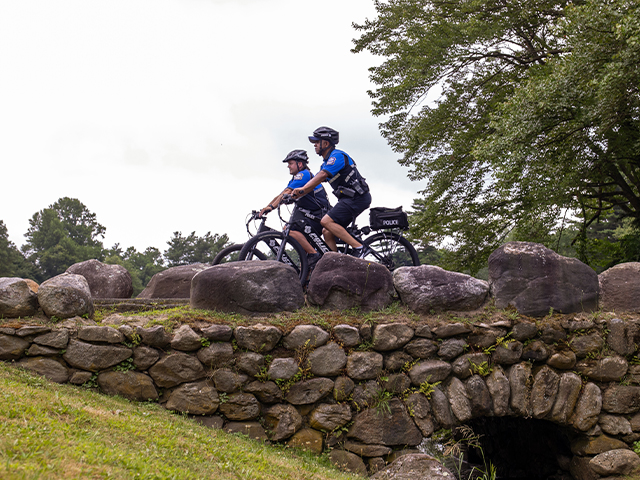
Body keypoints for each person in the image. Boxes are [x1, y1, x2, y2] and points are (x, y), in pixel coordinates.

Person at [292, 126, 372, 257]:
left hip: (357, 198)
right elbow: (315, 182)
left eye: (317, 142)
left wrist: (302, 189)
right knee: (327, 231)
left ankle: (360, 248)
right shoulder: (325, 163)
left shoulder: (337, 156)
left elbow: (322, 175)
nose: (315, 145)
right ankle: (334, 262)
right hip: (348, 199)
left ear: (326, 143)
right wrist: (293, 195)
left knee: (326, 221)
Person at [260, 149, 330, 266]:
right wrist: (267, 207)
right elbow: (283, 193)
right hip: (310, 214)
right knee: (301, 250)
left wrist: (271, 207)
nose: (288, 166)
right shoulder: (296, 178)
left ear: (300, 164)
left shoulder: (304, 175)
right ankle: (307, 271)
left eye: (290, 163)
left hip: (318, 215)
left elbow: (287, 192)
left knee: (290, 230)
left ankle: (314, 255)